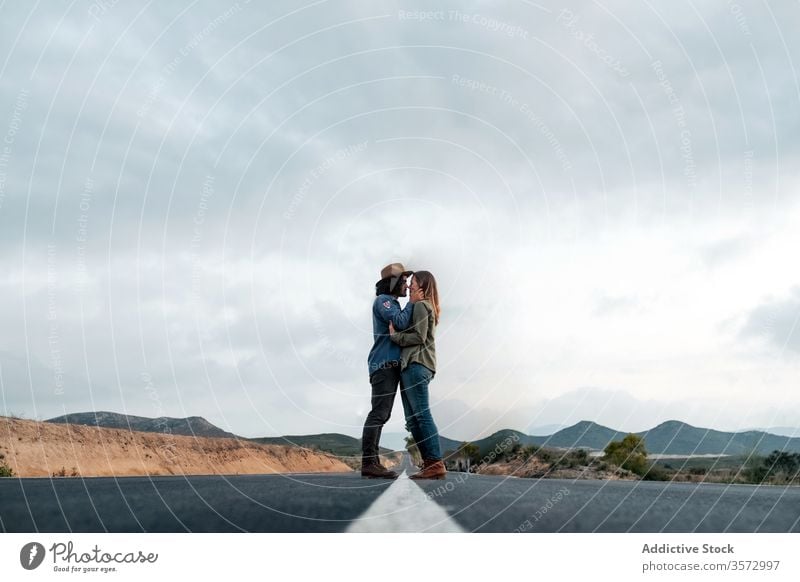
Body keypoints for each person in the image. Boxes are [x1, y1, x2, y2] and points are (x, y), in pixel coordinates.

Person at [389, 270, 445, 480]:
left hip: (417, 364)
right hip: (411, 366)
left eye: (413, 282)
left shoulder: (422, 305)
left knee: (421, 415)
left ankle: (435, 462)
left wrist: (396, 337)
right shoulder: (420, 305)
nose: (410, 285)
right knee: (412, 420)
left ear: (423, 286)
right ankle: (430, 463)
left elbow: (419, 337)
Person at [361, 263, 415, 479]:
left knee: (382, 413)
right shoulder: (383, 301)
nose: (407, 285)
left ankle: (371, 463)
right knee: (379, 413)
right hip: (383, 364)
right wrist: (412, 302)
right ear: (392, 283)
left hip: (389, 365)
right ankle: (369, 463)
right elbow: (401, 322)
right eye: (403, 281)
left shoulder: (391, 303)